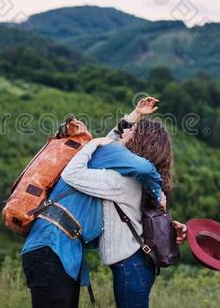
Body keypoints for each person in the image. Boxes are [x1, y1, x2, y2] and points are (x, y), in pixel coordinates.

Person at [20, 97, 166, 308]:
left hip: (60, 252)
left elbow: (113, 140)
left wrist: (136, 114)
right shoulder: (103, 160)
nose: (126, 131)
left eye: (132, 130)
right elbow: (119, 152)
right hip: (51, 249)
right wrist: (157, 190)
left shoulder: (108, 163)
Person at [61, 101, 187, 308]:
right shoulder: (142, 178)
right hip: (137, 265)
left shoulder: (121, 182)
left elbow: (71, 174)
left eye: (133, 131)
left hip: (131, 266)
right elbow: (113, 143)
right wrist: (135, 114)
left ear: (139, 141)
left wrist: (93, 143)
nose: (127, 132)